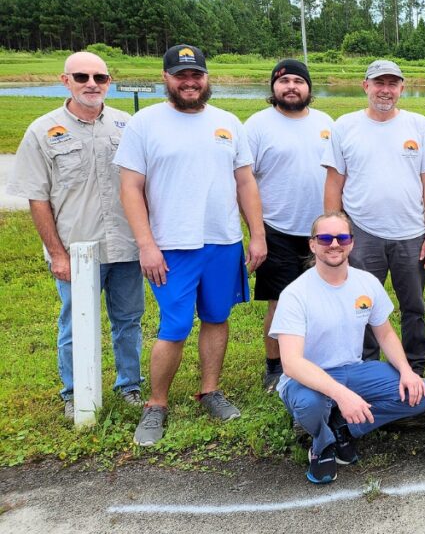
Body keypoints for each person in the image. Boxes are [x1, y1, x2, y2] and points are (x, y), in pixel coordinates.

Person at [115, 44, 267, 446]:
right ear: (166, 78)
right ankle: (156, 405)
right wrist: (146, 245)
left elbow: (245, 182)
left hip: (223, 241)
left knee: (217, 317)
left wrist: (257, 234)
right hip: (171, 246)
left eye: (196, 74)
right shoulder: (144, 124)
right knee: (176, 325)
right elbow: (131, 189)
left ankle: (210, 390)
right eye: (180, 75)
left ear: (206, 78)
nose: (189, 81)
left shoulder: (228, 122)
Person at [7, 51, 143, 419]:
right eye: (81, 77)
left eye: (99, 78)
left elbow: (143, 186)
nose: (91, 85)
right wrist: (58, 253)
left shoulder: (126, 125)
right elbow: (38, 198)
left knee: (129, 320)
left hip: (126, 246)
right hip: (78, 250)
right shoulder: (43, 131)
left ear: (108, 82)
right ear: (65, 80)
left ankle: (130, 385)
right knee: (74, 321)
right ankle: (73, 393)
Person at [270, 211, 425, 484]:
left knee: (421, 394)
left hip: (352, 371)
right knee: (312, 404)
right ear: (312, 245)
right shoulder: (296, 294)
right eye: (325, 238)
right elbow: (292, 363)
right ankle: (322, 444)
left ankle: (343, 427)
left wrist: (406, 370)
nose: (334, 244)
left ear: (352, 243)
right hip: (306, 379)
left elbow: (385, 334)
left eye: (341, 237)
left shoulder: (365, 282)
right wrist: (342, 396)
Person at [323, 60, 425, 376]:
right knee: (362, 303)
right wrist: (335, 231)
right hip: (363, 232)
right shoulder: (345, 127)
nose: (385, 90)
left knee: (413, 306)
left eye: (392, 84)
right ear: (366, 86)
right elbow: (334, 182)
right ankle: (365, 365)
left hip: (412, 233)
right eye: (379, 83)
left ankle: (414, 365)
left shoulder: (418, 125)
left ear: (402, 88)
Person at [245, 59, 333, 391]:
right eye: (284, 81)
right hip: (277, 229)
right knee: (280, 302)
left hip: (322, 232)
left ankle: (315, 361)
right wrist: (256, 234)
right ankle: (275, 366)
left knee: (322, 298)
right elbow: (244, 182)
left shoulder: (326, 123)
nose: (292, 86)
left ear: (309, 87)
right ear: (274, 88)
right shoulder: (256, 126)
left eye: (299, 80)